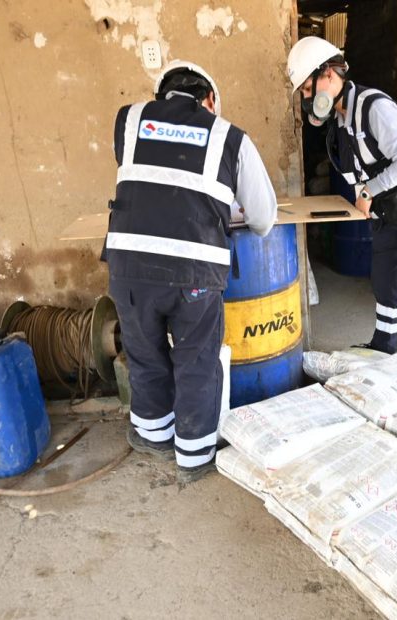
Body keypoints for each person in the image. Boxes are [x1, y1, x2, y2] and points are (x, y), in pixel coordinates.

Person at [102, 60, 277, 478]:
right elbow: (264, 218)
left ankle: (151, 435)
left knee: (144, 352)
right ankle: (195, 457)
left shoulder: (128, 121)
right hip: (194, 274)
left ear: (164, 93)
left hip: (130, 268)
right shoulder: (229, 137)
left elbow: (148, 181)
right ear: (210, 100)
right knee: (196, 358)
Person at [287, 37, 397, 371]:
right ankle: (384, 346)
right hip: (388, 207)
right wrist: (369, 195)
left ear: (329, 75)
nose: (306, 99)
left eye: (306, 89)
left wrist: (367, 191)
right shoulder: (342, 118)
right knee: (385, 276)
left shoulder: (375, 108)